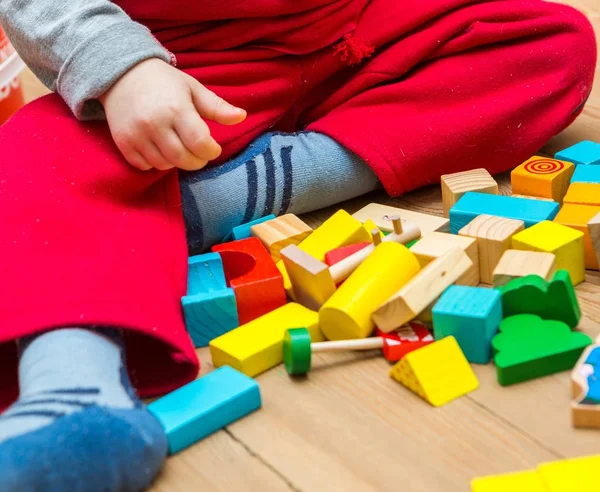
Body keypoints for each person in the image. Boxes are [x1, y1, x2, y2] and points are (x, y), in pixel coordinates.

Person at [0, 0, 596, 490]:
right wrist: (122, 67)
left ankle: (245, 189)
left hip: (360, 27)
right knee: (34, 156)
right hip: (176, 66)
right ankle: (72, 389)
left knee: (550, 43)